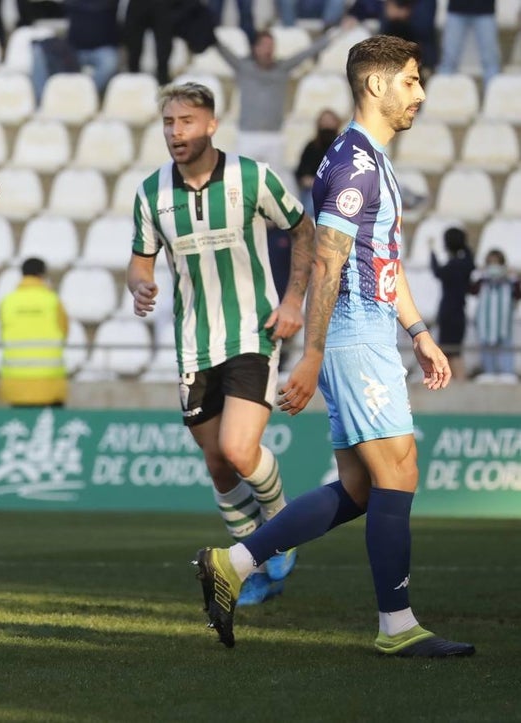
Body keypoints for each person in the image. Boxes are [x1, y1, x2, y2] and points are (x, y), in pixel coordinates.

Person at [194, 35, 475, 658]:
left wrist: (420, 332)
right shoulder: (354, 164)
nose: (419, 93)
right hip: (353, 339)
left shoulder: (370, 158)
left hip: (370, 332)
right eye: (411, 80)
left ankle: (232, 562)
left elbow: (385, 261)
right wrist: (314, 353)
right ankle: (397, 627)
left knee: (357, 488)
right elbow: (327, 263)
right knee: (398, 469)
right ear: (376, 85)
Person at [129, 82, 314, 606]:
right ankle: (251, 563)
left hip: (253, 332)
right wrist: (139, 283)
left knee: (238, 447)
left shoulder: (249, 176)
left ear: (212, 124)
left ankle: (278, 528)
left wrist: (295, 299)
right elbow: (140, 259)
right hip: (193, 344)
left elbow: (303, 229)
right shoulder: (151, 192)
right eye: (168, 122)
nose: (175, 132)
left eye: (186, 121)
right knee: (217, 462)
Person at [217, 28, 334, 191]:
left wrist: (338, 31)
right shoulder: (243, 67)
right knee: (244, 183)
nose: (268, 49)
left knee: (276, 185)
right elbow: (221, 49)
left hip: (274, 137)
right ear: (255, 48)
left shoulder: (283, 68)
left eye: (271, 45)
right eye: (264, 45)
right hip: (247, 136)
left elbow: (307, 52)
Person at [0, 257, 69, 407]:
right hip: (49, 384)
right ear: (42, 275)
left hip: (15, 385)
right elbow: (64, 332)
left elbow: (3, 331)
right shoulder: (53, 301)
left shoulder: (8, 302)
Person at [429, 227, 474, 378]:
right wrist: (463, 244)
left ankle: (459, 382)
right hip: (459, 311)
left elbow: (437, 271)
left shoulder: (452, 266)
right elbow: (470, 258)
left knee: (451, 351)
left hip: (448, 311)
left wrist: (432, 252)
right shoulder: (466, 263)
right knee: (454, 350)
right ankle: (457, 381)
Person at [470, 248, 520, 381]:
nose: (494, 266)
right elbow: (472, 290)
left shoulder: (510, 280)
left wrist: (515, 277)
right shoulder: (482, 280)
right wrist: (478, 274)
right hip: (486, 322)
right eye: (491, 262)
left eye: (496, 262)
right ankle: (489, 372)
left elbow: (517, 294)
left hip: (503, 322)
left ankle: (507, 373)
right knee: (486, 348)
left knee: (505, 347)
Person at [437, 0, 498, 83]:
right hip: (457, 9)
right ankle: (443, 91)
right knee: (449, 58)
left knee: (490, 60)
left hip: (485, 9)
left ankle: (493, 93)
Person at [296, 109, 342, 218]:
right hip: (313, 188)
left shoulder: (342, 145)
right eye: (324, 121)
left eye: (330, 121)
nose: (327, 124)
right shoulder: (311, 147)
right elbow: (302, 174)